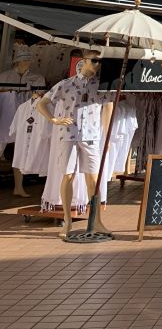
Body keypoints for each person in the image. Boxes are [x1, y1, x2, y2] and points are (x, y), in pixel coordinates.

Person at [35, 50, 113, 238]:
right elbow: (41, 103)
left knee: (93, 179)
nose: (97, 65)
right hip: (69, 134)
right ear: (84, 61)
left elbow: (108, 107)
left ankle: (96, 221)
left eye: (100, 62)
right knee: (68, 175)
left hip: (91, 135)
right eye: (94, 61)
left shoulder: (102, 86)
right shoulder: (66, 84)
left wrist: (106, 135)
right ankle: (68, 221)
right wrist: (54, 119)